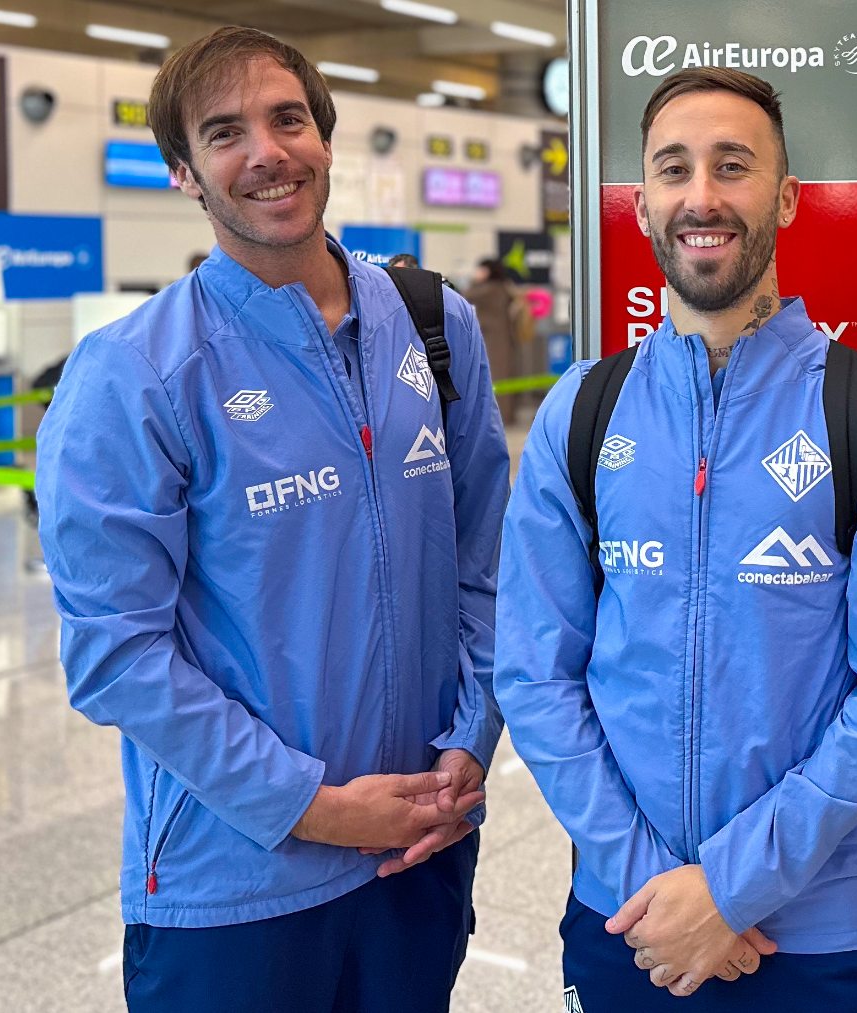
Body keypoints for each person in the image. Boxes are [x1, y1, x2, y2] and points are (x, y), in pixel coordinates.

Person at [35, 26, 510, 1012]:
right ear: (184, 173)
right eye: (224, 133)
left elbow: (489, 561)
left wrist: (471, 737)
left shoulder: (432, 324)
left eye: (287, 118)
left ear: (326, 139)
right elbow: (116, 653)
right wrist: (312, 805)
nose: (267, 152)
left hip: (417, 852)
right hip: (237, 883)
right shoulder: (137, 374)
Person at [493, 67, 857, 1010]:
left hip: (818, 935)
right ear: (643, 205)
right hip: (630, 921)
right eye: (674, 168)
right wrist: (653, 886)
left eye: (733, 166)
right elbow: (535, 672)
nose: (702, 195)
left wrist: (732, 886)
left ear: (785, 198)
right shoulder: (582, 411)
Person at [462, 257, 532, 424]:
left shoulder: (489, 289)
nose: (477, 273)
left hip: (493, 340)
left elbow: (466, 295)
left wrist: (474, 281)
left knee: (496, 378)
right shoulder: (504, 287)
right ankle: (506, 415)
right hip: (503, 339)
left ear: (488, 271)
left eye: (481, 269)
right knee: (503, 376)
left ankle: (499, 418)